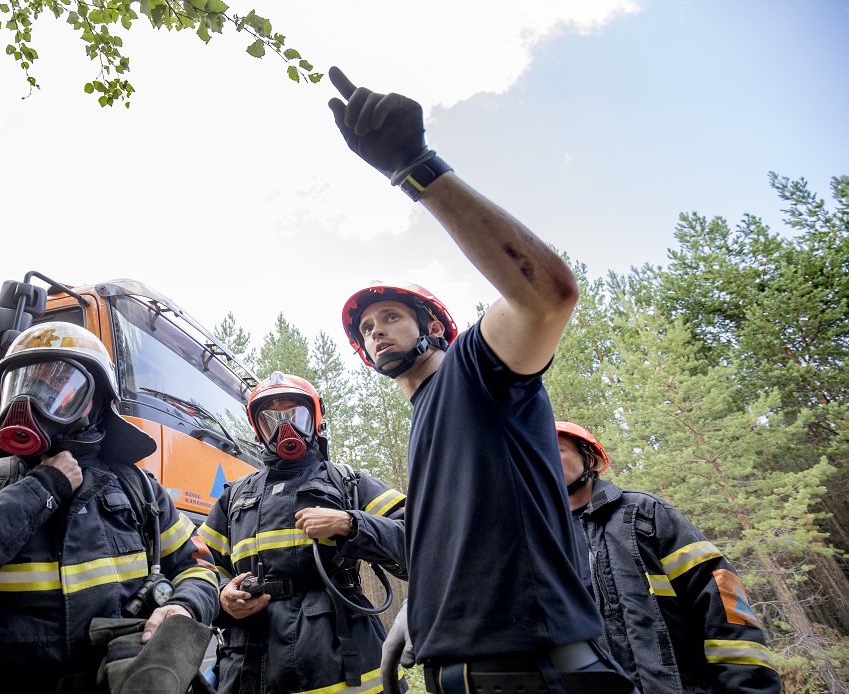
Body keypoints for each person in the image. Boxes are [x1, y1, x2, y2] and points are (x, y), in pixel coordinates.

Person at [329, 67, 636, 693]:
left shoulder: (475, 374)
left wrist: (416, 168)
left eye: (392, 317)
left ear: (436, 328)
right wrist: (423, 611)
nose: (376, 331)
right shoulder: (427, 425)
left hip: (532, 674)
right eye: (366, 328)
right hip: (457, 674)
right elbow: (455, 544)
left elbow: (547, 296)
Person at [0, 322, 219, 693]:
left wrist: (185, 606)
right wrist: (39, 489)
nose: (31, 400)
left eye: (57, 384)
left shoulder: (140, 491)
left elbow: (197, 566)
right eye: (22, 384)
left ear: (97, 402)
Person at [197, 371, 408, 694]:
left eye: (295, 415)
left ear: (316, 420)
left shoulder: (347, 482)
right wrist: (223, 598)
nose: (286, 428)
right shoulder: (233, 497)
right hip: (248, 666)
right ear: (258, 429)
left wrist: (351, 524)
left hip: (340, 658)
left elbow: (420, 541)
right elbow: (198, 568)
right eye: (272, 418)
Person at [557, 421, 781, 693]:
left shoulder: (641, 513)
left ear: (588, 458)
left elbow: (719, 599)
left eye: (557, 449)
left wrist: (751, 688)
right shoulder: (537, 538)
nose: (545, 459)